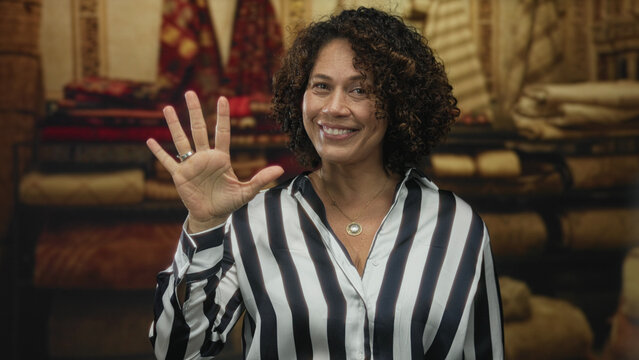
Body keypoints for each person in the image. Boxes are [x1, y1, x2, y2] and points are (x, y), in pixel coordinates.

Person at [147, 7, 504, 360]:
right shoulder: (256, 221)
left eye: (360, 90)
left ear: (399, 104)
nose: (334, 107)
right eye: (321, 86)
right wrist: (205, 226)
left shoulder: (457, 225)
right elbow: (178, 351)